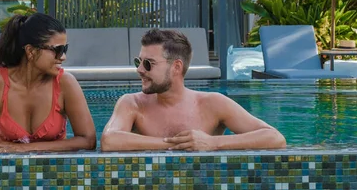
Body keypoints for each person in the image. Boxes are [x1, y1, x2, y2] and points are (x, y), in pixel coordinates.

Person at [101, 29, 285, 152]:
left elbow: (275, 138)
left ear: (176, 67)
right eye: (138, 62)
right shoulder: (132, 103)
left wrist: (213, 143)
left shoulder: (212, 103)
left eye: (148, 64)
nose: (140, 69)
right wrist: (174, 144)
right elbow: (109, 140)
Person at [0, 13, 96, 152]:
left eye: (65, 49)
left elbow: (88, 140)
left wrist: (23, 148)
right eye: (57, 50)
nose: (63, 57)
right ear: (30, 51)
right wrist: (5, 148)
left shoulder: (65, 83)